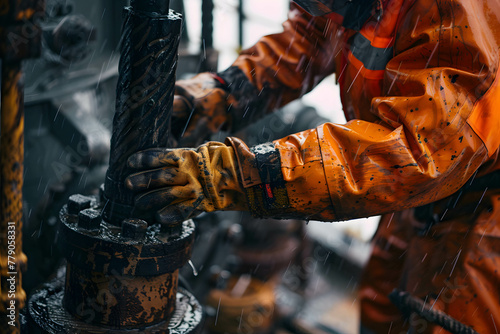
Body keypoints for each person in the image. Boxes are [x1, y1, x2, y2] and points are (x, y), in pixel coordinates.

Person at [125, 0, 500, 333]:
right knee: (382, 313)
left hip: (482, 215)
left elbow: (419, 152)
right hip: (417, 203)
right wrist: (224, 93)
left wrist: (238, 176)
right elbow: (310, 39)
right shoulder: (345, 5)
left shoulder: (457, 14)